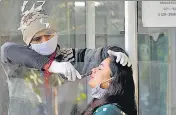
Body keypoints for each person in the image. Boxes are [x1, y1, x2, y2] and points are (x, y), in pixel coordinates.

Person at [0, 4, 132, 115]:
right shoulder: (19, 63)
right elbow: (6, 49)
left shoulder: (70, 57)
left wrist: (116, 52)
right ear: (28, 42)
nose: (45, 40)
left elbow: (99, 55)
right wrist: (52, 65)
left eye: (48, 34)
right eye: (37, 38)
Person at [80, 47, 137, 115]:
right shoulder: (108, 108)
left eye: (100, 68)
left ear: (113, 80)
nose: (93, 70)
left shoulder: (107, 111)